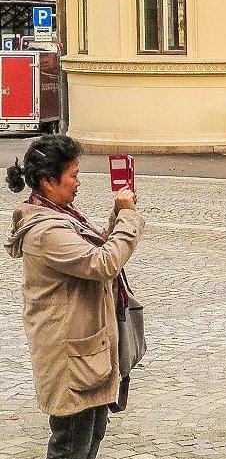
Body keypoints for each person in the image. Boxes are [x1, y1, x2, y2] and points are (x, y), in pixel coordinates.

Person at [4, 135, 143, 459]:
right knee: (71, 447)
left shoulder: (64, 215)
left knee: (90, 436)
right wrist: (127, 218)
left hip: (87, 353)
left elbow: (96, 249)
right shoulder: (45, 231)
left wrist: (118, 214)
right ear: (48, 181)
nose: (78, 183)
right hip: (70, 361)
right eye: (73, 175)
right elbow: (102, 263)